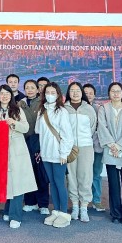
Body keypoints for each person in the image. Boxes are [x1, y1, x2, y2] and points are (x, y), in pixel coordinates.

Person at [0, 84, 37, 228]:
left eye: (7, 93)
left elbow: (26, 128)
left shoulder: (17, 110)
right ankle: (8, 210)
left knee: (18, 183)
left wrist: (14, 123)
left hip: (17, 150)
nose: (4, 96)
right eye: (2, 93)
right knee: (8, 182)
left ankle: (16, 216)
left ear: (11, 96)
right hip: (1, 151)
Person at [98, 82, 122, 225]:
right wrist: (112, 145)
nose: (115, 94)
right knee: (113, 185)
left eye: (118, 91)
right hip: (110, 151)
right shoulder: (104, 108)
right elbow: (102, 127)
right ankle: (115, 213)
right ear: (109, 93)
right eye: (113, 91)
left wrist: (119, 146)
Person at [35, 82, 73, 228]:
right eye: (47, 92)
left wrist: (64, 153)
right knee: (52, 183)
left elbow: (67, 135)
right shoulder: (42, 111)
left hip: (58, 154)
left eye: (53, 93)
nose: (49, 95)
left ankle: (64, 213)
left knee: (59, 183)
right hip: (46, 153)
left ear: (58, 95)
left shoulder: (62, 111)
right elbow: (38, 130)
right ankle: (56, 211)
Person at [64, 82, 97, 222]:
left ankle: (84, 207)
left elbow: (92, 127)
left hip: (86, 146)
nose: (75, 93)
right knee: (71, 176)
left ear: (81, 92)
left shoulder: (89, 109)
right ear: (68, 93)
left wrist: (84, 139)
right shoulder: (64, 109)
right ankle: (75, 206)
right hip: (69, 148)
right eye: (72, 90)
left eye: (78, 90)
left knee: (85, 176)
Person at [20, 79, 49, 215]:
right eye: (27, 88)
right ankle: (30, 202)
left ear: (38, 90)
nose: (30, 90)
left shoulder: (43, 103)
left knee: (41, 174)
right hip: (25, 141)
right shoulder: (20, 104)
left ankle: (43, 204)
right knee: (27, 173)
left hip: (39, 141)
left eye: (32, 87)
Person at [84, 83, 105, 212]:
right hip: (82, 147)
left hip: (97, 146)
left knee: (96, 173)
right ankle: (83, 201)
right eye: (85, 93)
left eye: (91, 93)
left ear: (94, 95)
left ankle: (96, 200)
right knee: (83, 174)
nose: (88, 95)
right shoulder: (77, 109)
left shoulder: (99, 109)